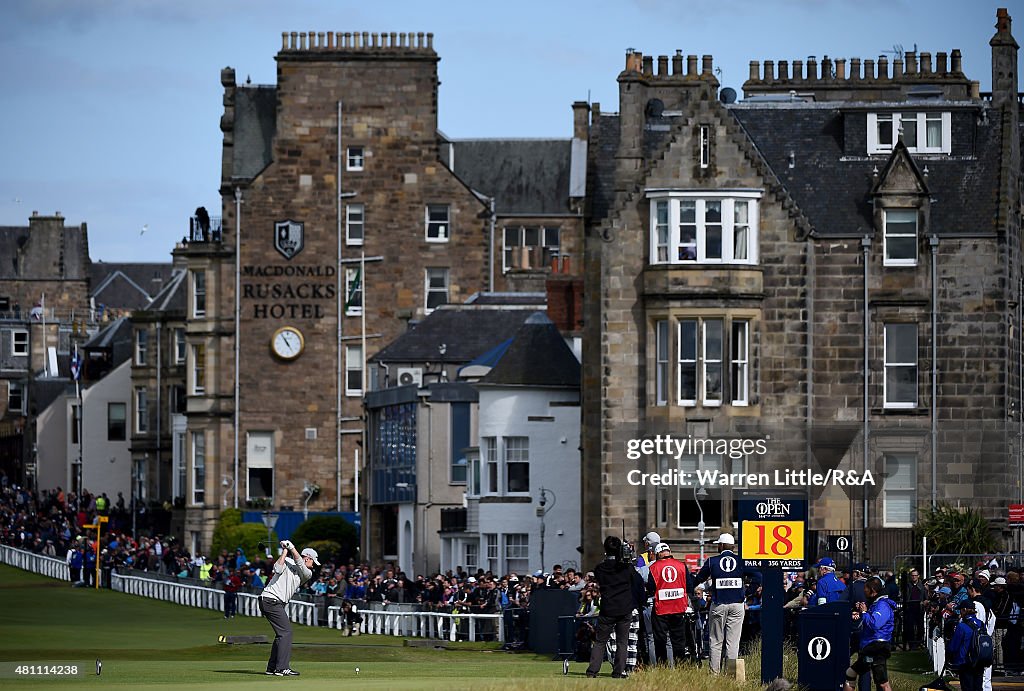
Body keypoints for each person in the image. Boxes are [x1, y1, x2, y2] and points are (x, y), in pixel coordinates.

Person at [259, 541, 318, 676]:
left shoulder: (307, 573)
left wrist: (292, 548)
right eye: (313, 561)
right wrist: (285, 550)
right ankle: (281, 668)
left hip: (273, 602)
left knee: (282, 634)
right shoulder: (287, 561)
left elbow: (300, 565)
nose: (313, 565)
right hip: (270, 599)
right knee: (286, 633)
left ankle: (272, 667)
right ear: (307, 558)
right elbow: (277, 569)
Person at [694, 532, 745, 674]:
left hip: (719, 604)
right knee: (733, 643)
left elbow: (698, 579)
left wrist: (689, 586)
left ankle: (714, 675)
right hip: (737, 604)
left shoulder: (712, 561)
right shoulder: (742, 560)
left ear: (722, 546)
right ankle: (731, 675)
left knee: (715, 641)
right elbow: (758, 577)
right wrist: (748, 592)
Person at [586, 536, 635, 678]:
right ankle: (618, 671)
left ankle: (592, 671)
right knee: (622, 641)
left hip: (608, 608)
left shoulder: (600, 568)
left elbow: (600, 578)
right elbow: (636, 581)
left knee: (600, 641)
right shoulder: (627, 567)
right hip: (624, 608)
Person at [845, 577, 895, 691]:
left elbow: (875, 623)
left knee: (882, 683)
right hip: (870, 647)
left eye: (866, 588)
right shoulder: (875, 604)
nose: (864, 591)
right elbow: (869, 618)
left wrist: (864, 612)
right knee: (850, 673)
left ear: (872, 590)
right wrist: (861, 612)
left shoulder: (883, 605)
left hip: (878, 648)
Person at [647, 542, 691, 667]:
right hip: (679, 608)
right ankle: (681, 667)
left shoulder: (654, 568)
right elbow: (689, 586)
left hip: (661, 610)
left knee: (660, 641)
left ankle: (663, 667)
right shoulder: (681, 566)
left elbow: (651, 588)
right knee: (679, 642)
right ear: (669, 552)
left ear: (658, 554)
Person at [948, 600, 986, 691]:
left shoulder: (961, 626)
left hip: (965, 661)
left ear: (964, 610)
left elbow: (954, 646)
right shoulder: (981, 624)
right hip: (979, 659)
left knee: (967, 687)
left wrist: (949, 653)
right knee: (978, 687)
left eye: (961, 610)